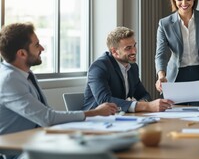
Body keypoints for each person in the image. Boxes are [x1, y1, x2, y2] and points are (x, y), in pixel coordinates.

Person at [0, 22, 117, 159]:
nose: (42, 48)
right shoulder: (9, 79)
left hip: (37, 142)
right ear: (22, 53)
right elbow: (47, 118)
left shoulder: (24, 74)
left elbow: (47, 115)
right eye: (37, 45)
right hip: (18, 152)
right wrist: (95, 112)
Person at [83, 26, 173, 112]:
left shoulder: (133, 67)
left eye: (134, 45)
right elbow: (104, 100)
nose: (134, 51)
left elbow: (144, 95)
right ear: (114, 51)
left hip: (121, 118)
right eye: (128, 48)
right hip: (96, 120)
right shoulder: (99, 67)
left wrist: (143, 104)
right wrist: (146, 106)